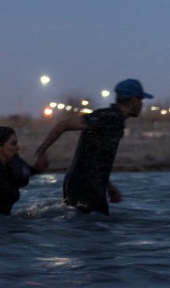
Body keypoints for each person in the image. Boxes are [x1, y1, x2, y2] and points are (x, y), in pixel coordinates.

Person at [33, 78, 153, 215]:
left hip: (85, 183)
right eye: (141, 100)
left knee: (88, 229)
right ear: (134, 100)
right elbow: (63, 124)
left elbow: (96, 159)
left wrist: (109, 186)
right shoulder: (108, 117)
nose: (142, 105)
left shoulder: (114, 120)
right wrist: (41, 151)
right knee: (94, 230)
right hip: (86, 186)